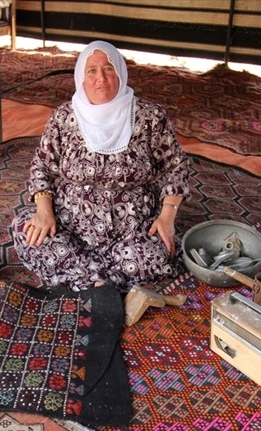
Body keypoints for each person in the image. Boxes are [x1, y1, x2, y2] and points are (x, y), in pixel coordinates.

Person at [12, 40, 190, 293]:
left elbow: (175, 166)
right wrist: (44, 211)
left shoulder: (149, 116)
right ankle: (107, 283)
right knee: (26, 230)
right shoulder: (64, 117)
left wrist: (167, 217)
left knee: (152, 255)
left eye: (108, 69)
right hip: (70, 222)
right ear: (80, 78)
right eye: (91, 71)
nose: (101, 78)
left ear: (120, 72)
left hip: (133, 226)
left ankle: (84, 280)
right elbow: (42, 166)